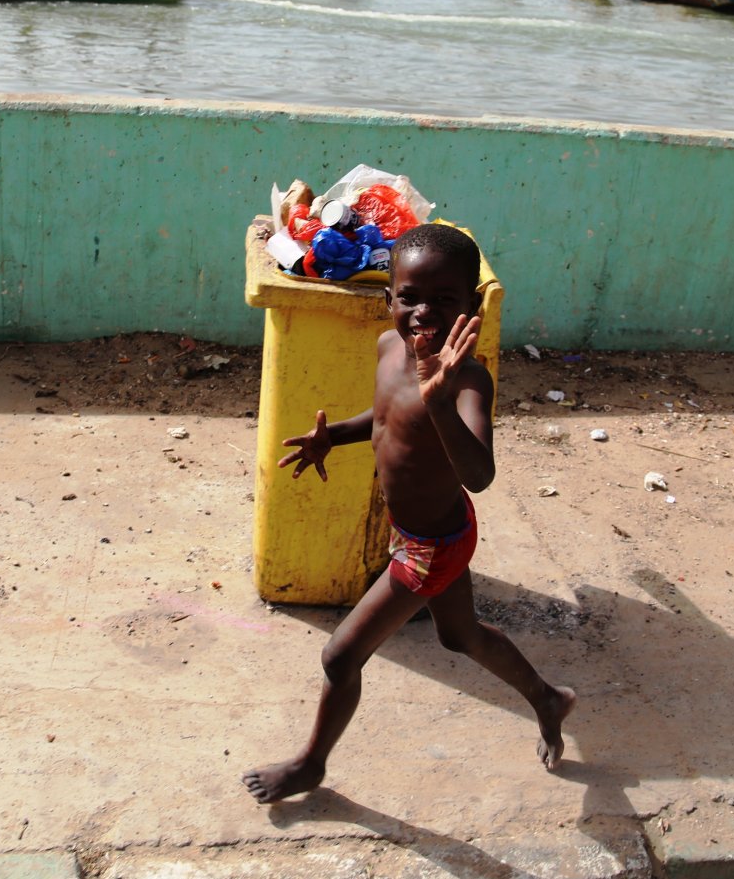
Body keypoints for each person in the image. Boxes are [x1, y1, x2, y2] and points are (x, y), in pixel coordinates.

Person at [241, 224, 576, 805]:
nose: (424, 312)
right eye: (410, 297)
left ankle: (311, 765)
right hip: (429, 528)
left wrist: (439, 401)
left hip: (430, 547)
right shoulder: (388, 348)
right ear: (388, 298)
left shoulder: (466, 381)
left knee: (339, 656)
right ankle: (548, 699)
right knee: (460, 635)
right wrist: (332, 437)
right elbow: (386, 419)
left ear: (472, 306)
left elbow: (479, 474)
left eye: (444, 299)